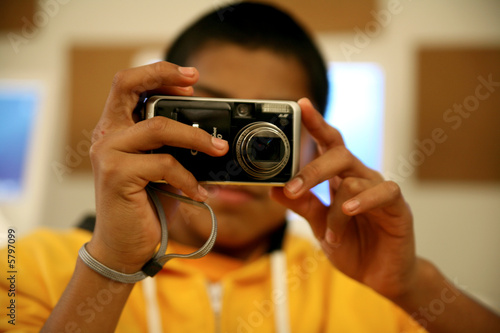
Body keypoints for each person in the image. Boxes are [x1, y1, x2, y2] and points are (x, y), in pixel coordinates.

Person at [2, 2, 499, 332]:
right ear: (152, 119)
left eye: (268, 133)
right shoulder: (25, 263)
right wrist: (110, 265)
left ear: (311, 148)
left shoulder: (359, 288)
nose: (231, 151)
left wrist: (412, 284)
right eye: (208, 119)